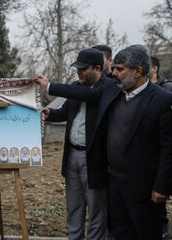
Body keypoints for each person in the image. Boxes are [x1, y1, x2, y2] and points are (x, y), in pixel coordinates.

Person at [36, 44, 172, 240]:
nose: (114, 73)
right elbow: (77, 101)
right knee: (120, 230)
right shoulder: (116, 92)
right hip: (114, 177)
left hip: (141, 182)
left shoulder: (157, 98)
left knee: (143, 230)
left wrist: (162, 186)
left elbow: (168, 148)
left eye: (119, 69)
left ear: (138, 71)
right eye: (114, 68)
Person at [40, 48, 109, 239]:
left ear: (97, 69)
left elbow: (85, 95)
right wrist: (50, 113)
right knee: (74, 207)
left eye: (82, 68)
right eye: (76, 67)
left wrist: (49, 86)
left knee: (97, 211)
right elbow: (66, 111)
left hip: (94, 160)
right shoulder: (76, 86)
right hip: (72, 157)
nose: (78, 71)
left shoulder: (109, 88)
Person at [148, 56, 172, 239]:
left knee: (160, 192)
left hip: (162, 147)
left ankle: (163, 229)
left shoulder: (167, 89)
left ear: (154, 68)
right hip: (148, 150)